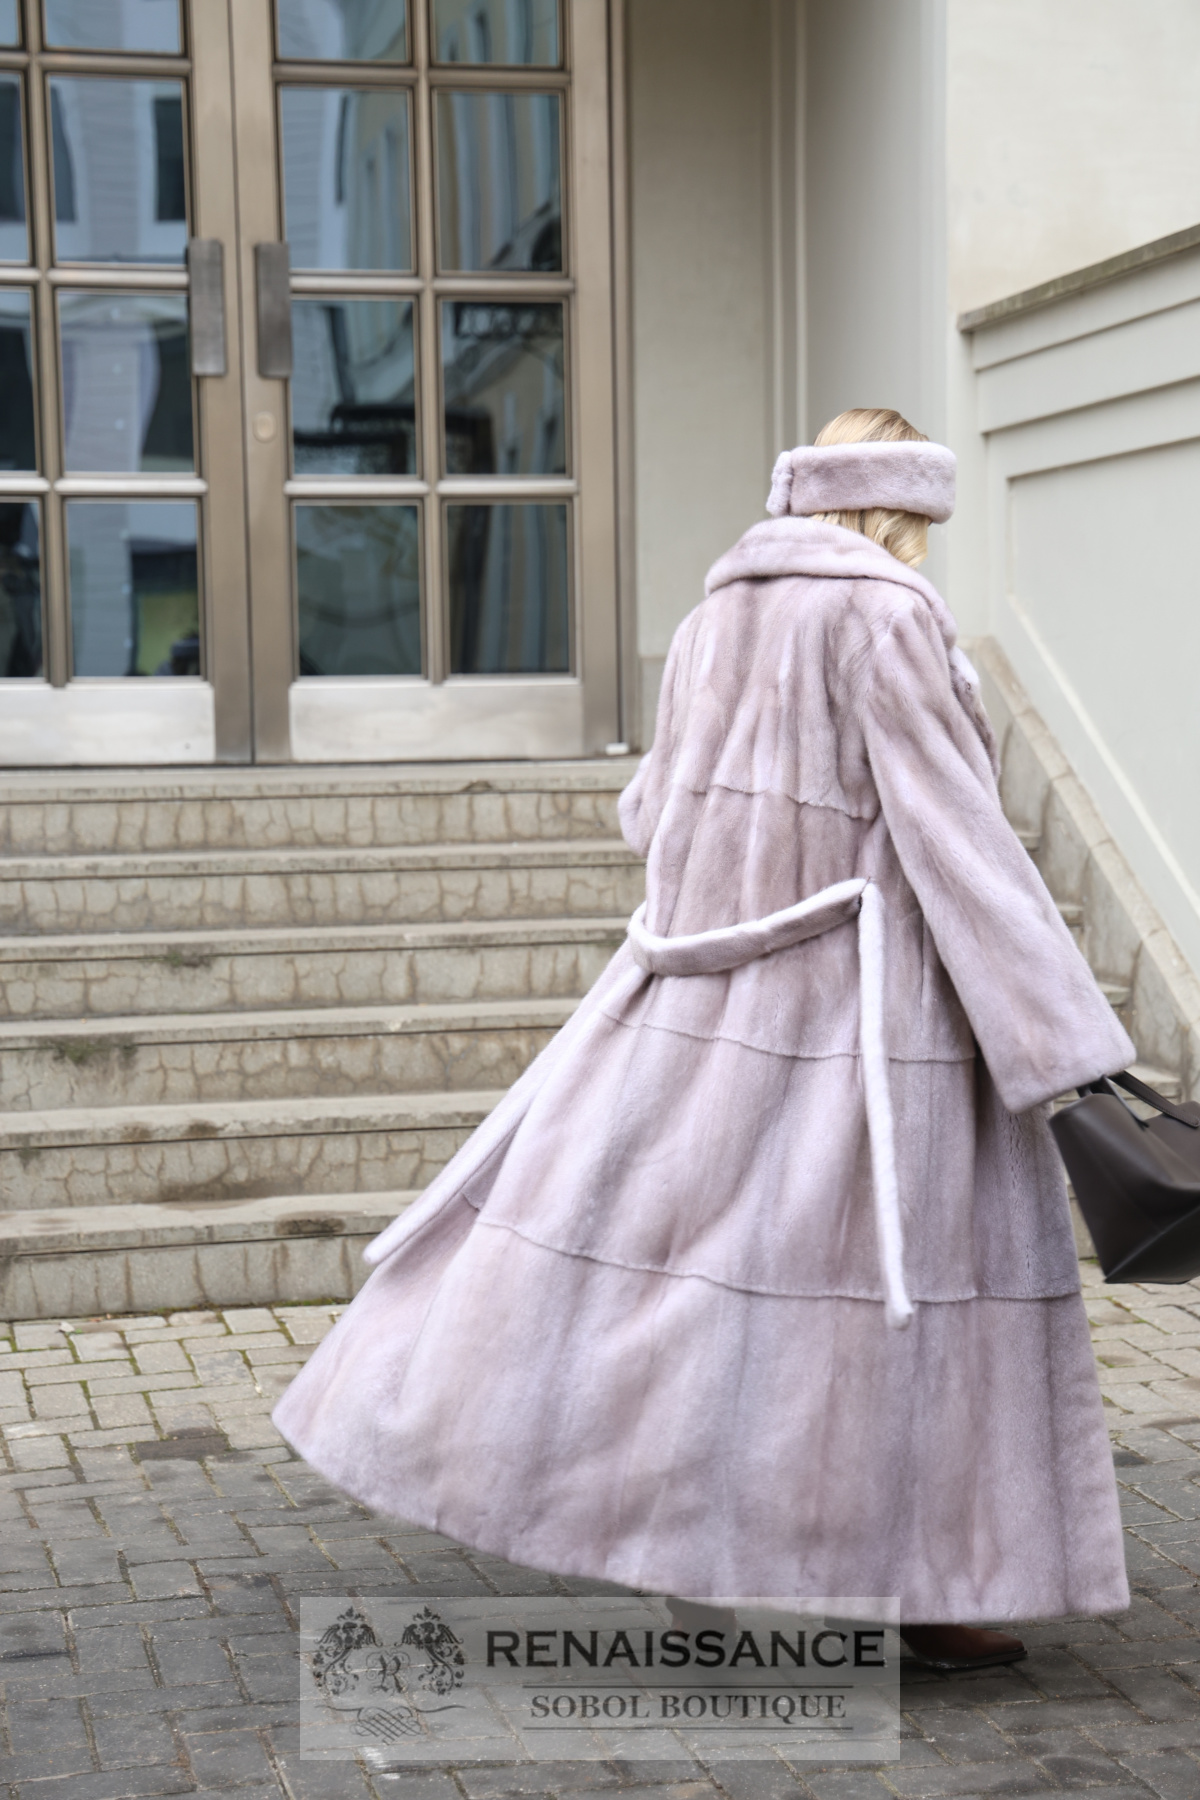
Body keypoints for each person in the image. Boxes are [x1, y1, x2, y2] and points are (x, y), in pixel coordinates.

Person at [274, 408, 1134, 1671]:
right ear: (896, 509)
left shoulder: (711, 615)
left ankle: (693, 1553)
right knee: (879, 1315)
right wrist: (1060, 1036)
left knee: (679, 1299)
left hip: (703, 999)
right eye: (921, 522)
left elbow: (652, 815)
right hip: (864, 1013)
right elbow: (957, 838)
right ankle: (922, 1588)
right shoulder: (889, 616)